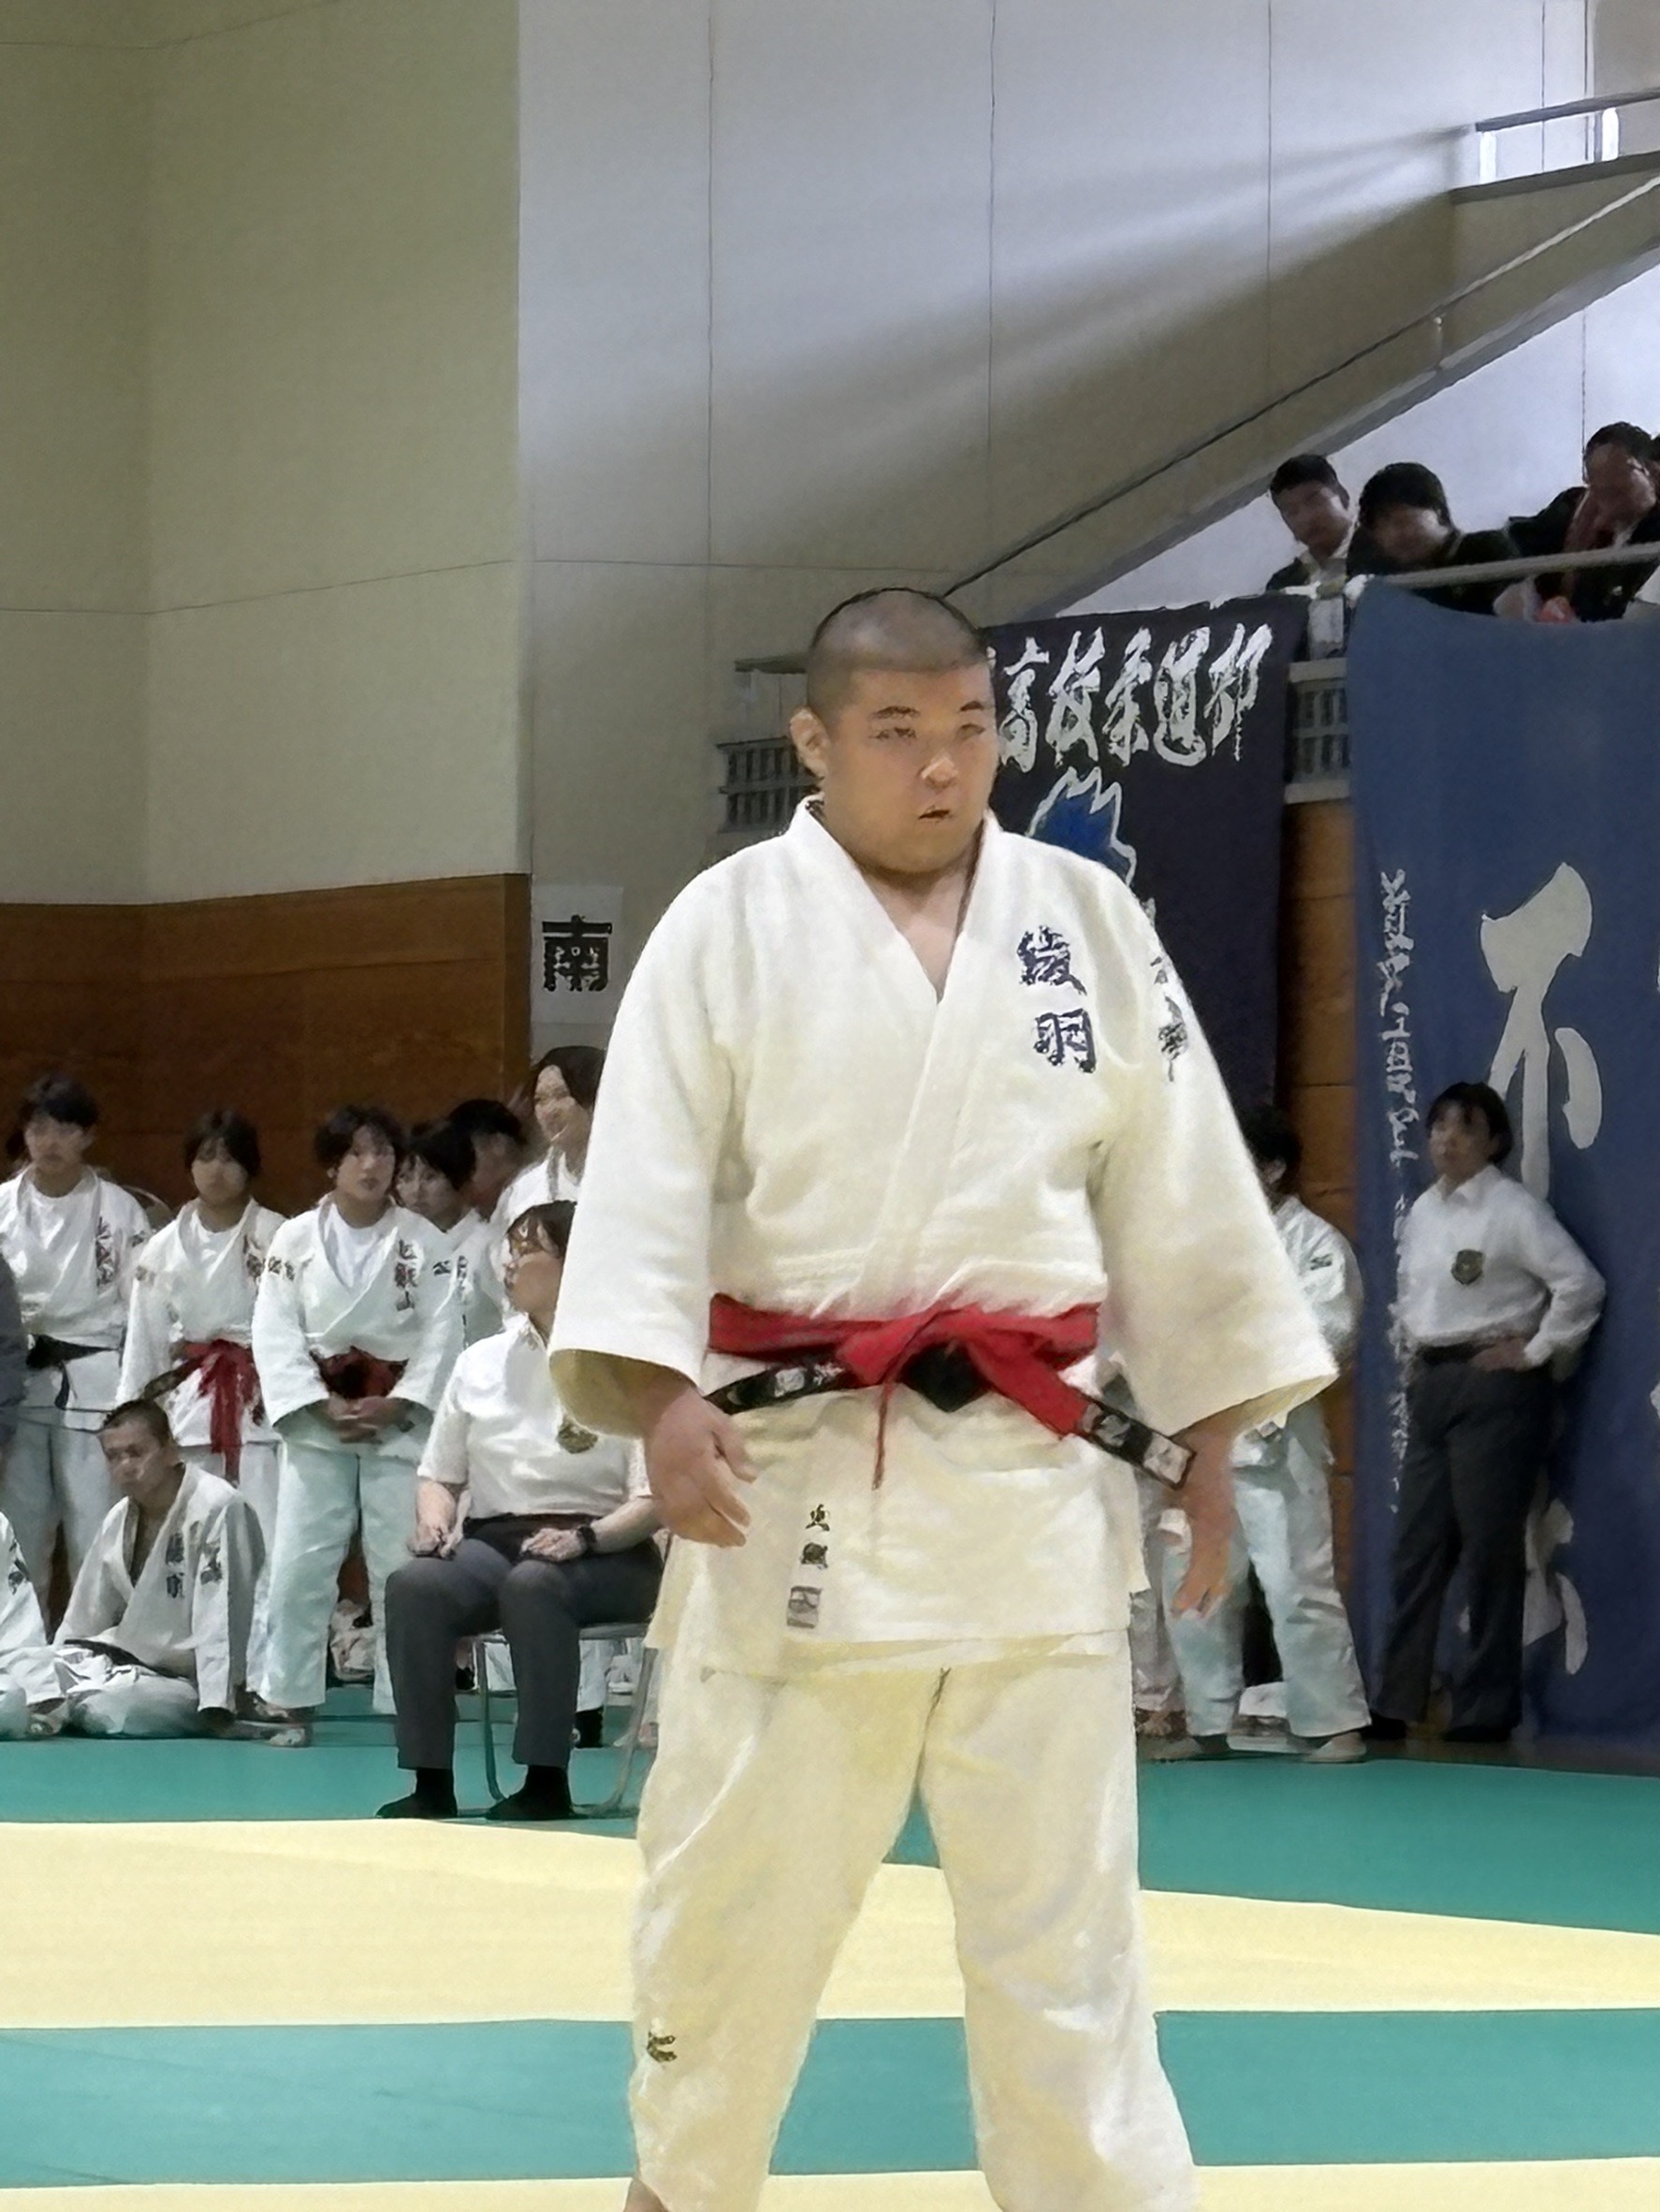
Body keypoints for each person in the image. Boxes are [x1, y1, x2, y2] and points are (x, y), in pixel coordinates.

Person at [547, 587, 1334, 2212]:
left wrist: (1208, 1437)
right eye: (896, 733)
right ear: (812, 742)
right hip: (792, 1480)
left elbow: (1178, 1189)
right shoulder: (725, 925)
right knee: (734, 1906)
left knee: (1068, 1934)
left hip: (1030, 1496)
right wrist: (660, 1393)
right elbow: (644, 1184)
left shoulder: (1082, 917)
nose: (941, 766)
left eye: (969, 729)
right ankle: (681, 2183)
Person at [379, 1201, 662, 1822]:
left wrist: (586, 1540)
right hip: (495, 1540)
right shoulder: (481, 1360)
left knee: (535, 1585)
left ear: (575, 1262)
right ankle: (430, 1780)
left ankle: (545, 1777)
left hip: (608, 1548)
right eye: (509, 1249)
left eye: (528, 1250)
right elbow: (440, 1473)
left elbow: (654, 1499)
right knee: (416, 1586)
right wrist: (434, 1520)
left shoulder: (628, 1361)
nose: (509, 1263)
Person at [1371, 1083, 1604, 1747]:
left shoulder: (1512, 1209)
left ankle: (1485, 1707)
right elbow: (1413, 1297)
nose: (1446, 1140)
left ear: (1494, 1141)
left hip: (1494, 1387)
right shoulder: (1423, 1211)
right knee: (1416, 1551)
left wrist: (1534, 1351)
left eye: (1464, 1129)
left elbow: (1581, 1284)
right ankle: (1396, 1699)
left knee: (1489, 1550)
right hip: (1433, 1381)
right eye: (1438, 1127)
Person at [1154, 1106, 1369, 1766]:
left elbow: (1329, 1336)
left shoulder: (1315, 1244)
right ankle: (1209, 1721)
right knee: (1191, 1582)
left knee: (1296, 1583)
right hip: (1199, 1439)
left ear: (1273, 1168)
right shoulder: (1199, 1246)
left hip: (1277, 1436)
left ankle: (1335, 1722)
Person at [251, 1105, 461, 1736]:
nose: (372, 1166)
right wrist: (318, 1403)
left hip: (398, 1420)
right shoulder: (293, 1240)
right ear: (331, 1164)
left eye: (383, 1153)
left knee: (399, 1565)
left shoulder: (427, 1244)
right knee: (299, 1563)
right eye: (357, 1153)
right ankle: (289, 1692)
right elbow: (274, 1330)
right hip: (319, 1422)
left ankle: (408, 1698)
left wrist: (399, 1401)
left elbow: (444, 1333)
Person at [116, 1110, 284, 1672]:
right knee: (191, 1546)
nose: (217, 1170)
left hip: (261, 1411)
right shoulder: (161, 1248)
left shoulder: (278, 1237)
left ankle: (262, 1672)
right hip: (188, 1408)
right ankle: (195, 1669)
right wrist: (132, 1426)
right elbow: (143, 1345)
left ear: (250, 1166)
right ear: (189, 1166)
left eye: (230, 1157)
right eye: (205, 1157)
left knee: (265, 1542)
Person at [0, 1401, 263, 1738]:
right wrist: (52, 1672)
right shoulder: (120, 1516)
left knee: (110, 1706)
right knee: (26, 1680)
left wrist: (218, 1705)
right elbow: (87, 1610)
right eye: (113, 1457)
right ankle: (61, 1705)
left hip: (186, 1682)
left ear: (170, 1450)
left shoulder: (217, 1506)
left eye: (136, 1453)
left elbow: (223, 1614)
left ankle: (212, 1706)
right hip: (121, 1666)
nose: (125, 1466)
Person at [0, 1075, 150, 1603]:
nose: (50, 1142)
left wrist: (137, 1397)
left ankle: (95, 1642)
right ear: (24, 1134)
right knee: (20, 1529)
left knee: (95, 1527)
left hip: (95, 1382)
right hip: (18, 1383)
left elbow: (143, 1309)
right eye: (39, 1128)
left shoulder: (119, 1209)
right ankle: (19, 1644)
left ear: (88, 1136)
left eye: (65, 1129)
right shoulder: (2, 1206)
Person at [1509, 422, 1660, 622]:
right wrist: (1539, 601)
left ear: (1650, 470)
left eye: (1617, 490)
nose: (1608, 505)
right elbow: (1518, 547)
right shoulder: (1572, 507)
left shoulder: (1651, 534)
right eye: (1600, 490)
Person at [1357, 463, 1517, 616]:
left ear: (1436, 509)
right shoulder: (1393, 580)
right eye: (1381, 528)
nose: (1394, 535)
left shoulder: (1487, 551)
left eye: (1401, 522)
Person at [398, 1119, 502, 1345]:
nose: (416, 1190)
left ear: (459, 1178)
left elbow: (515, 1319)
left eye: (430, 1177)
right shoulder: (398, 1247)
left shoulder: (489, 1244)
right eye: (405, 1178)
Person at [496, 1046, 604, 1218]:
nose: (549, 1111)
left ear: (594, 1100)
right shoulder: (526, 1189)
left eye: (561, 1095)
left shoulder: (626, 1176)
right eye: (540, 1100)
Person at [1263, 454, 1375, 591]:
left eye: (1314, 501)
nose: (1305, 518)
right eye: (1291, 512)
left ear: (1342, 495)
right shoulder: (1284, 583)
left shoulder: (1383, 548)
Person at [447, 1097, 528, 1221]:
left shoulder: (537, 1195)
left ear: (498, 1144)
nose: (458, 1176)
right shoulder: (481, 1218)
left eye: (465, 1158)